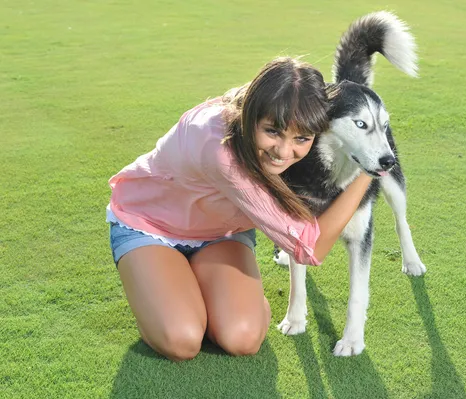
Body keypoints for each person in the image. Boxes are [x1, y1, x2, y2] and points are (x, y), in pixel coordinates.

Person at [107, 57, 373, 361]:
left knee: (243, 339)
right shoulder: (219, 146)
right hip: (150, 225)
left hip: (222, 234)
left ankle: (193, 287)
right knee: (182, 341)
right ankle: (168, 291)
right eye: (272, 131)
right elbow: (310, 247)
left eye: (301, 138)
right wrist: (370, 170)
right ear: (252, 116)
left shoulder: (266, 113)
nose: (285, 152)